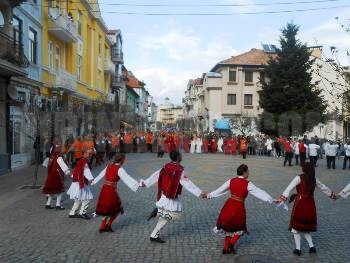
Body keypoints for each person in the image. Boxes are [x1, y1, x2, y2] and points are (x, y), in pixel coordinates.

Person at [206, 164, 274, 254]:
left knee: (228, 227)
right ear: (245, 173)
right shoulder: (247, 183)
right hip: (238, 207)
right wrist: (271, 199)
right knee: (240, 227)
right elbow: (259, 192)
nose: (249, 173)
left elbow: (220, 189)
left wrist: (209, 195)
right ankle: (231, 244)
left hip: (229, 205)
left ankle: (225, 248)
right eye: (248, 171)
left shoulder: (231, 180)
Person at [140, 151, 206, 243]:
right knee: (175, 214)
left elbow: (156, 175)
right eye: (181, 155)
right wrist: (200, 193)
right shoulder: (179, 170)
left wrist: (146, 183)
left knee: (166, 216)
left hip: (165, 194)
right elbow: (188, 183)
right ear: (178, 157)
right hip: (171, 196)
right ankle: (158, 212)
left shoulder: (166, 166)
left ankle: (154, 235)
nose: (182, 156)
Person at [275, 162, 336, 256]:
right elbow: (324, 188)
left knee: (295, 228)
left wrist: (282, 198)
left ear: (304, 169)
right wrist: (332, 195)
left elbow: (289, 188)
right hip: (310, 204)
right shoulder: (314, 179)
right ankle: (312, 247)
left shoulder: (299, 178)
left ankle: (298, 249)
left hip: (300, 203)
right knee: (306, 227)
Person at [92, 153, 139, 233]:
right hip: (111, 190)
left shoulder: (108, 166)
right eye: (124, 159)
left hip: (105, 188)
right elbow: (127, 178)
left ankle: (102, 226)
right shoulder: (119, 169)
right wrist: (137, 184)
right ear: (122, 160)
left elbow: (100, 175)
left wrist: (94, 181)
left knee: (107, 208)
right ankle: (108, 225)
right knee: (116, 209)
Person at [67, 148, 95, 220]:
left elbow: (77, 170)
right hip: (79, 183)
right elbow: (86, 171)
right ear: (84, 153)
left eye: (91, 154)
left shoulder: (81, 161)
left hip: (76, 182)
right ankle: (82, 212)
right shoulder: (83, 161)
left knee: (78, 199)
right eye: (89, 154)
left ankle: (72, 213)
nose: (90, 155)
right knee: (87, 198)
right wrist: (91, 179)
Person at [42, 143, 71, 210]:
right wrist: (69, 173)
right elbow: (63, 166)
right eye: (60, 148)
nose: (61, 149)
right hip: (57, 175)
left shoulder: (51, 157)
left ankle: (48, 204)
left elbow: (45, 165)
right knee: (59, 190)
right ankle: (58, 205)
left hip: (50, 175)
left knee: (51, 190)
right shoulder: (59, 157)